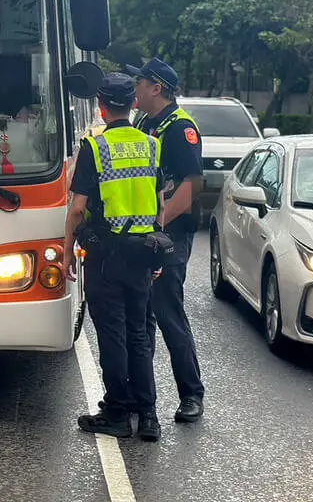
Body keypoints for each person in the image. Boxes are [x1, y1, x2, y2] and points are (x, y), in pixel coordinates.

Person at [65, 72, 166, 441]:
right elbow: (158, 204)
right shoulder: (151, 145)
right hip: (142, 252)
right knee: (138, 333)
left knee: (112, 336)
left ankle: (118, 414)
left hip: (106, 255)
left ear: (100, 105)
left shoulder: (95, 148)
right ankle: (149, 415)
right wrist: (156, 254)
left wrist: (65, 256)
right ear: (133, 103)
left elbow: (77, 210)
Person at [125, 57, 206, 424]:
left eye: (139, 83)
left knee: (167, 311)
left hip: (169, 234)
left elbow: (190, 188)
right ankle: (140, 398)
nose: (134, 89)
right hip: (144, 232)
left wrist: (158, 225)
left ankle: (191, 394)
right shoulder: (145, 121)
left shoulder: (180, 128)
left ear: (156, 87)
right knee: (140, 316)